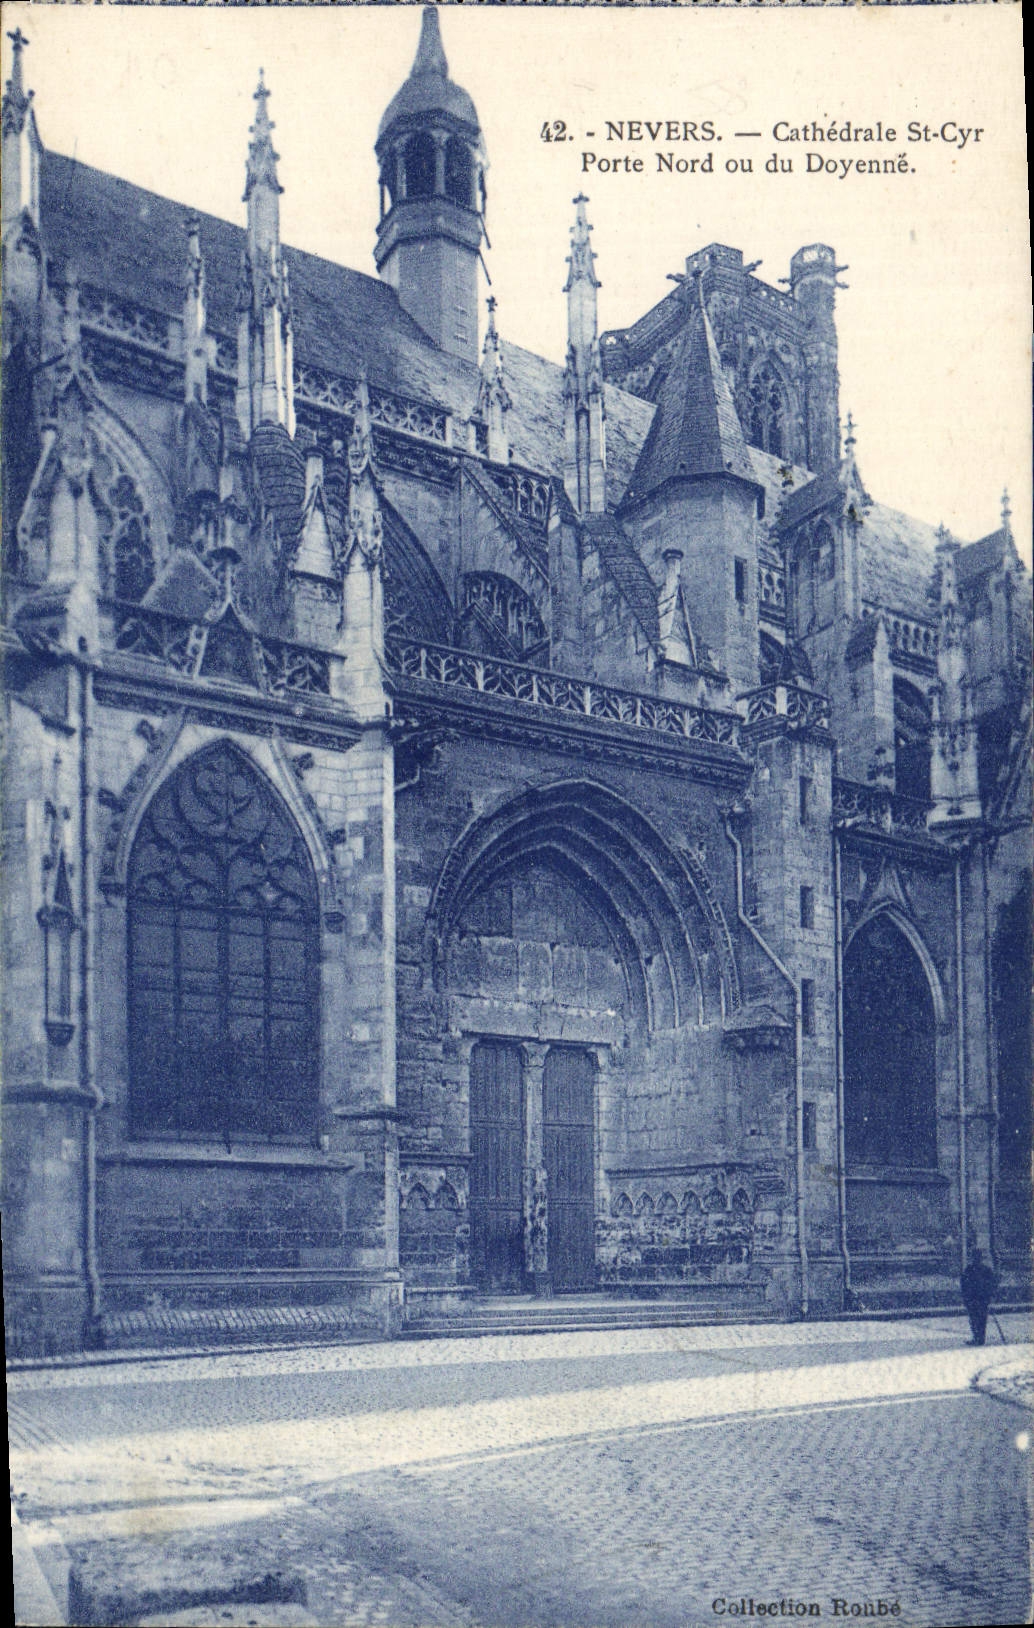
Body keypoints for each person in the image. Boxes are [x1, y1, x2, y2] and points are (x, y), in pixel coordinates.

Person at [960, 1248, 998, 1346]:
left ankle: (979, 1338)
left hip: (979, 1298)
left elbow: (991, 1283)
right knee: (976, 1319)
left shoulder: (980, 1270)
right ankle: (978, 1337)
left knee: (978, 1319)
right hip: (976, 1298)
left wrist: (990, 1294)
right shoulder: (972, 1270)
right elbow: (964, 1284)